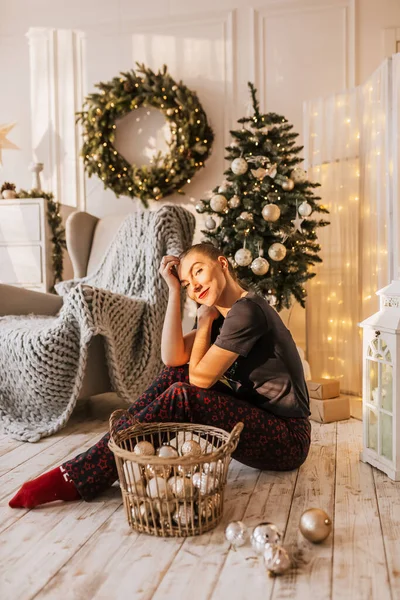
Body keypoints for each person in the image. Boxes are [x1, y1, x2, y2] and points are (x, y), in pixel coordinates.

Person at [9, 243, 311, 509]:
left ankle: (82, 473)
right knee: (178, 372)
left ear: (222, 264)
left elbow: (201, 382)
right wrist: (173, 291)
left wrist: (204, 323)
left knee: (185, 393)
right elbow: (172, 357)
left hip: (286, 440)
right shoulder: (226, 313)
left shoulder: (247, 311)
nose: (195, 285)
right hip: (262, 421)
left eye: (199, 271)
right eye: (186, 282)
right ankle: (111, 448)